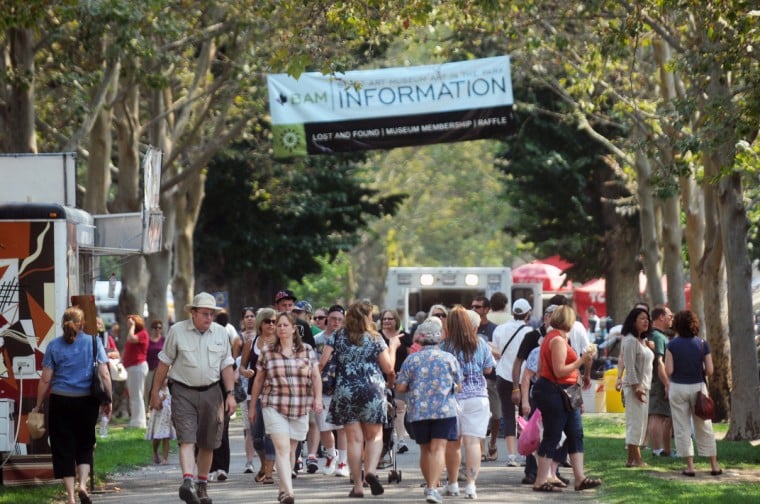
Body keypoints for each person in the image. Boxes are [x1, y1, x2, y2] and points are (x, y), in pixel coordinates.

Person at [149, 292, 237, 504]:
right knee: (187, 438)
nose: (209, 318)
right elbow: (164, 363)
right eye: (205, 314)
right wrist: (155, 392)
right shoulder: (177, 331)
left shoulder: (220, 333)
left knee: (208, 442)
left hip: (212, 392)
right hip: (183, 391)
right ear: (193, 313)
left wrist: (231, 395)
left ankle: (202, 485)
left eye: (212, 314)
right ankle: (187, 481)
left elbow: (226, 365)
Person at [33, 306, 112, 504]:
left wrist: (38, 404)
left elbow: (45, 379)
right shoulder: (94, 342)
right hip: (87, 402)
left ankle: (70, 496)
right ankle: (83, 486)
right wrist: (108, 399)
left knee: (63, 447)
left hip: (61, 402)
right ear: (82, 323)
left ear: (62, 323)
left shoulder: (53, 346)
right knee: (85, 444)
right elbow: (104, 374)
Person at [327, 300, 400, 498]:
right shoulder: (375, 338)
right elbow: (389, 368)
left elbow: (324, 360)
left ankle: (358, 485)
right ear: (366, 317)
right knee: (374, 436)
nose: (374, 319)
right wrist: (393, 346)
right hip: (372, 389)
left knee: (354, 439)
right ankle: (370, 472)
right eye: (372, 316)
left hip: (346, 390)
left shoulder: (337, 337)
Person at [249, 311, 322, 504]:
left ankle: (282, 488)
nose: (280, 328)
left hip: (300, 404)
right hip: (273, 403)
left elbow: (315, 376)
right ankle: (289, 492)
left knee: (291, 449)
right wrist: (252, 406)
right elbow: (258, 379)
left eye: (284, 325)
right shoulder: (267, 351)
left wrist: (318, 398)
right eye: (278, 325)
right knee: (281, 448)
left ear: (293, 328)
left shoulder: (306, 350)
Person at [532, 305, 601, 493]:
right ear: (568, 321)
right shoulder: (557, 340)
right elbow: (559, 370)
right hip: (557, 390)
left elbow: (541, 368)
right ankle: (540, 480)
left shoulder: (555, 337)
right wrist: (582, 359)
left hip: (567, 391)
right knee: (553, 435)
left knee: (575, 432)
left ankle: (580, 478)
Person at [395, 317, 462, 504]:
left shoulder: (411, 359)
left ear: (421, 338)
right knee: (439, 448)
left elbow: (400, 387)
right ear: (439, 337)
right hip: (444, 410)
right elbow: (459, 386)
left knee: (425, 450)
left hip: (418, 411)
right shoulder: (449, 358)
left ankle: (429, 485)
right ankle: (433, 488)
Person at [440, 307, 496, 499]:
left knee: (453, 444)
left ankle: (453, 484)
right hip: (478, 398)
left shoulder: (445, 346)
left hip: (453, 399)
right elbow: (489, 369)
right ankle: (471, 486)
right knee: (473, 443)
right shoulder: (480, 343)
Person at [665, 310, 722, 477]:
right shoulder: (703, 344)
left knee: (682, 427)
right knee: (704, 426)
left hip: (678, 388)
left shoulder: (672, 345)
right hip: (698, 388)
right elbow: (710, 370)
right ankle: (714, 465)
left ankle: (690, 467)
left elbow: (669, 370)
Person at [493, 298, 534, 467]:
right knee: (527, 414)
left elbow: (496, 352)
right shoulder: (531, 331)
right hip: (525, 377)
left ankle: (511, 456)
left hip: (503, 375)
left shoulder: (500, 329)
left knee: (508, 415)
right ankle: (526, 453)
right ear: (528, 313)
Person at [240, 307, 278, 484]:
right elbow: (241, 366)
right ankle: (263, 465)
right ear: (260, 323)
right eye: (267, 321)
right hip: (254, 395)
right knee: (256, 437)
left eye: (274, 321)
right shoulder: (251, 342)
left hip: (275, 395)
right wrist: (245, 371)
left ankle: (269, 473)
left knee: (270, 434)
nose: (271, 324)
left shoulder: (281, 342)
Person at [315, 304, 349, 476]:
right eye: (333, 318)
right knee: (324, 426)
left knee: (342, 427)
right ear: (327, 318)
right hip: (322, 388)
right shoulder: (318, 339)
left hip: (342, 388)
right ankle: (330, 455)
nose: (336, 322)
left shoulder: (347, 339)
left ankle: (343, 462)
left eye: (340, 319)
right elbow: (315, 364)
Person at [620, 307, 654, 467]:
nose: (646, 321)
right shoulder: (630, 341)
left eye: (647, 318)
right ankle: (638, 460)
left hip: (644, 386)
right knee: (635, 424)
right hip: (635, 387)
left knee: (640, 423)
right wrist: (636, 388)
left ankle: (630, 459)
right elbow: (630, 366)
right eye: (642, 318)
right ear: (633, 321)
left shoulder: (642, 341)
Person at [379, 308, 413, 455]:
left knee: (400, 407)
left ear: (396, 321)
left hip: (400, 377)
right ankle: (384, 441)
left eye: (390, 319)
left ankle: (400, 440)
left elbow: (411, 355)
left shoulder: (404, 337)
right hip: (382, 377)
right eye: (384, 319)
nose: (387, 321)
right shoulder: (377, 337)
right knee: (385, 409)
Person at [471, 295, 500, 462]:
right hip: (475, 381)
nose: (475, 309)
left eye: (478, 307)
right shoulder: (468, 331)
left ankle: (493, 443)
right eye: (473, 307)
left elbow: (500, 353)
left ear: (487, 309)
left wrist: (486, 348)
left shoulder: (495, 330)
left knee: (496, 415)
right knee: (479, 415)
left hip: (492, 377)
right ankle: (481, 448)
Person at [647, 305, 673, 457]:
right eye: (669, 315)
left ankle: (658, 448)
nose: (672, 318)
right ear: (661, 317)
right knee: (657, 415)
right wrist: (667, 383)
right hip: (658, 381)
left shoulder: (655, 335)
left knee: (657, 415)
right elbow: (659, 363)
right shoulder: (659, 337)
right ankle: (657, 449)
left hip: (654, 380)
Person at [238, 307, 258, 474]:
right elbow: (234, 363)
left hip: (262, 388)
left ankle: (268, 460)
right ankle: (249, 461)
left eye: (253, 316)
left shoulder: (264, 338)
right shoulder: (238, 339)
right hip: (245, 387)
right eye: (247, 316)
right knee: (249, 427)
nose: (250, 319)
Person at [123, 314, 150, 429]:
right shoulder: (136, 334)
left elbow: (131, 338)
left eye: (130, 322)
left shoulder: (142, 333)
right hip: (132, 368)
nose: (128, 324)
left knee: (137, 395)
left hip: (137, 366)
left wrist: (133, 326)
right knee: (134, 395)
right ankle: (135, 420)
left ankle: (139, 422)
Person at [146, 376, 176, 464]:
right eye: (163, 378)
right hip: (158, 419)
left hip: (167, 419)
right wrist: (160, 401)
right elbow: (152, 406)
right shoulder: (155, 392)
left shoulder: (170, 391)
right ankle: (155, 452)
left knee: (166, 438)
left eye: (166, 378)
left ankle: (165, 459)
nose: (164, 380)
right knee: (157, 438)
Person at [145, 320, 165, 412]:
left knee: (161, 390)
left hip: (161, 369)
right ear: (151, 329)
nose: (157, 329)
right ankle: (147, 410)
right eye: (155, 328)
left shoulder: (164, 340)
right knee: (148, 389)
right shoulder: (147, 340)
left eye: (159, 327)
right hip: (149, 368)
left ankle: (160, 409)